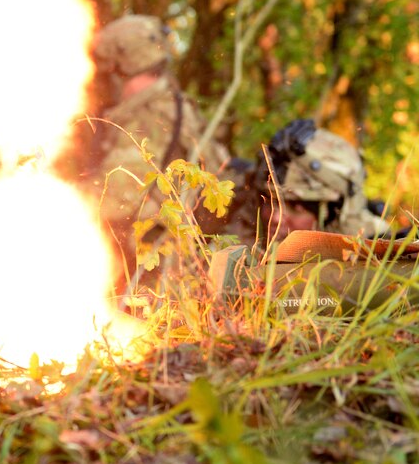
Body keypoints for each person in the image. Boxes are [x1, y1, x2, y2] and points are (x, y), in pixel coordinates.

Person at [81, 15, 231, 281]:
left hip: (155, 277)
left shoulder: (148, 119)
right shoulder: (173, 107)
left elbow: (113, 201)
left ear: (120, 70)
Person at [213, 118, 391, 244]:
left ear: (332, 215)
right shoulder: (244, 220)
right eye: (272, 202)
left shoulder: (371, 250)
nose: (276, 218)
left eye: (295, 208)